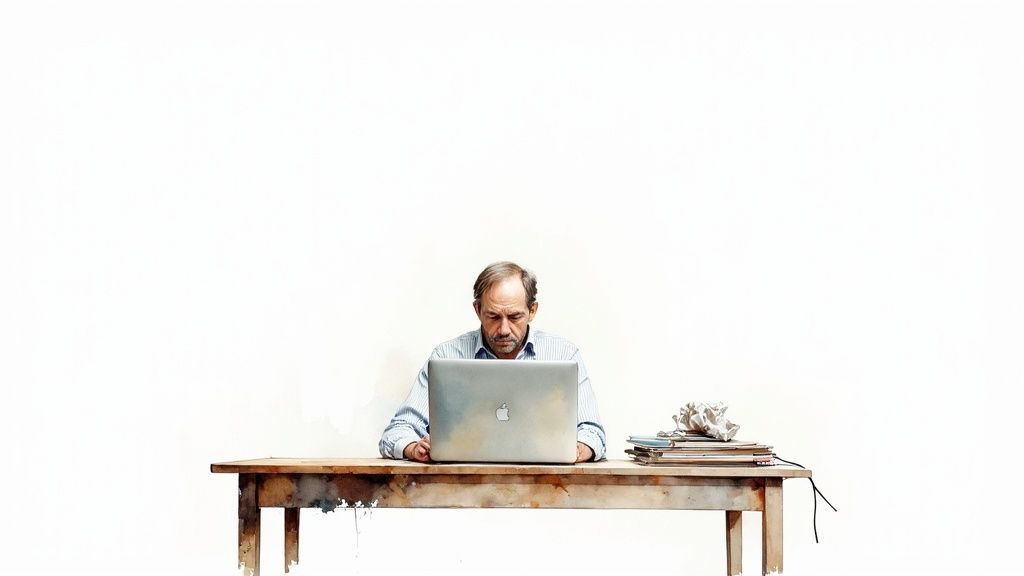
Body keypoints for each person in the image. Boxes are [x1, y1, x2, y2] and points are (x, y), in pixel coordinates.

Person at [379, 261, 606, 463]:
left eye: (515, 317)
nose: (504, 329)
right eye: (494, 317)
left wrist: (579, 450)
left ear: (532, 310)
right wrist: (412, 448)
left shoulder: (564, 355)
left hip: (546, 487)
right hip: (460, 491)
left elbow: (593, 432)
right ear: (478, 310)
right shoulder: (446, 355)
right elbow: (397, 431)